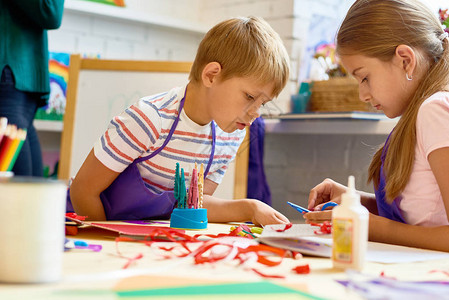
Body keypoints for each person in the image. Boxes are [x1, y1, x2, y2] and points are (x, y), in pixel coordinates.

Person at [68, 16, 290, 226]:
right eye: (250, 97)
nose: (256, 112)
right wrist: (107, 241)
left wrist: (250, 208)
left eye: (263, 103)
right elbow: (83, 191)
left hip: (146, 242)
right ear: (211, 75)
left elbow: (194, 205)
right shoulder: (149, 119)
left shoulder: (230, 136)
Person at [304, 0, 449, 252]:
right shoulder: (418, 116)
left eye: (364, 78)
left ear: (405, 60)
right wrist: (355, 201)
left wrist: (374, 227)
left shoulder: (435, 111)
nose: (363, 95)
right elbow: (425, 215)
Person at [0, 0, 65, 176]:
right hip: (12, 70)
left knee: (30, 192)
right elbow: (49, 11)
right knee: (22, 193)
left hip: (18, 73)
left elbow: (50, 12)